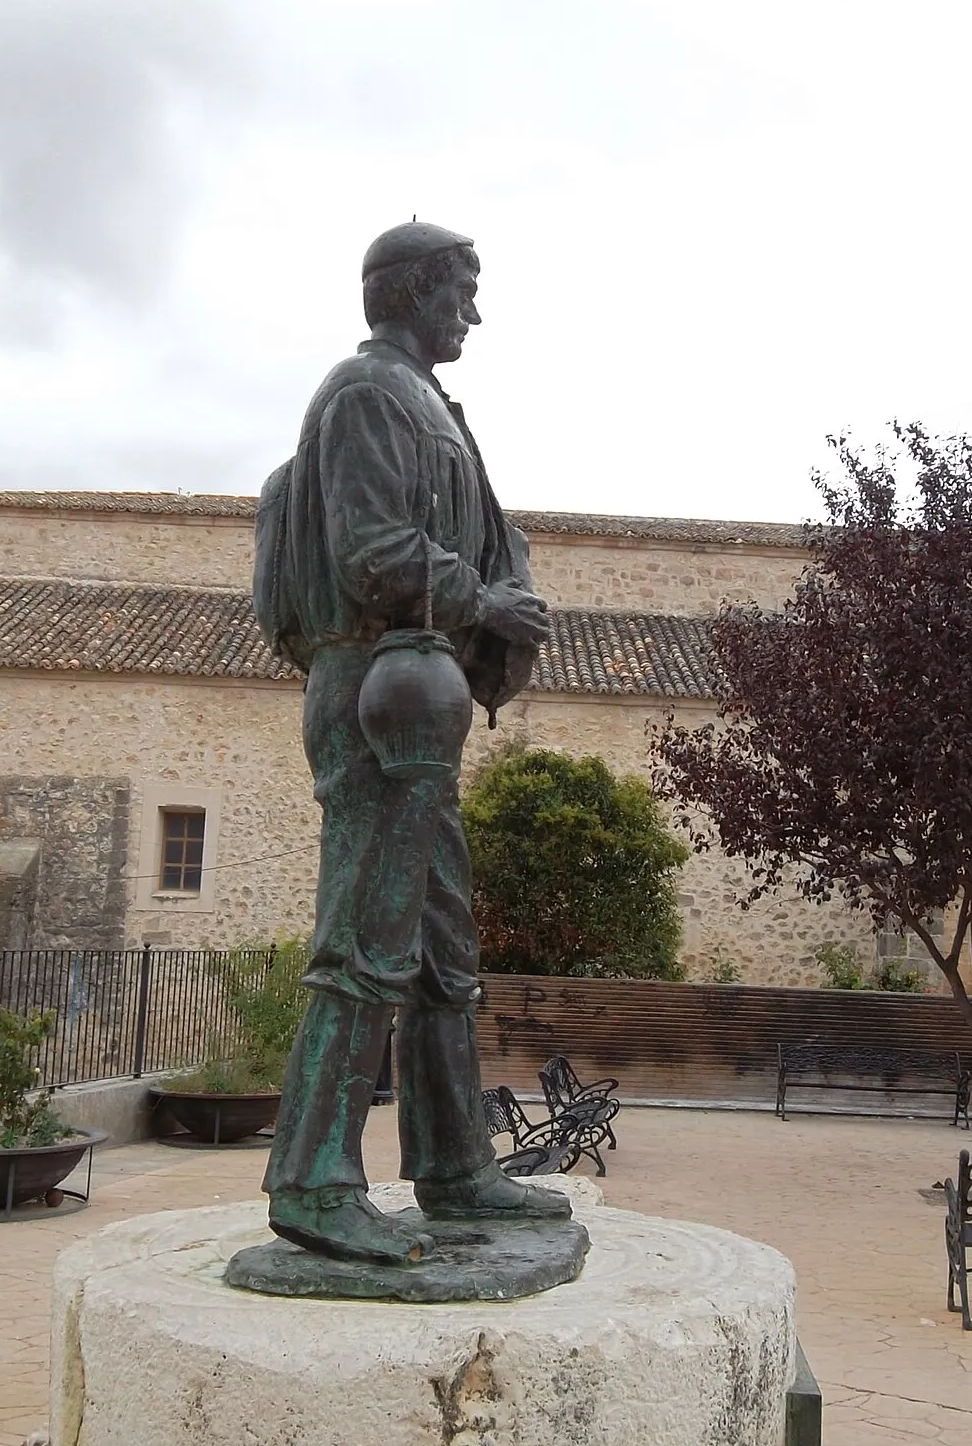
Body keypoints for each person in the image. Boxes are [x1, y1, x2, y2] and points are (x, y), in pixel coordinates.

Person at [249, 221, 570, 1263]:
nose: (472, 312)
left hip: (421, 691)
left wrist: (491, 603)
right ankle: (311, 1182)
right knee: (364, 938)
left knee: (439, 951)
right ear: (410, 291)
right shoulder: (364, 394)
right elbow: (371, 550)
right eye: (461, 290)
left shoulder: (428, 403)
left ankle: (451, 1166)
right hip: (378, 689)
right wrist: (488, 602)